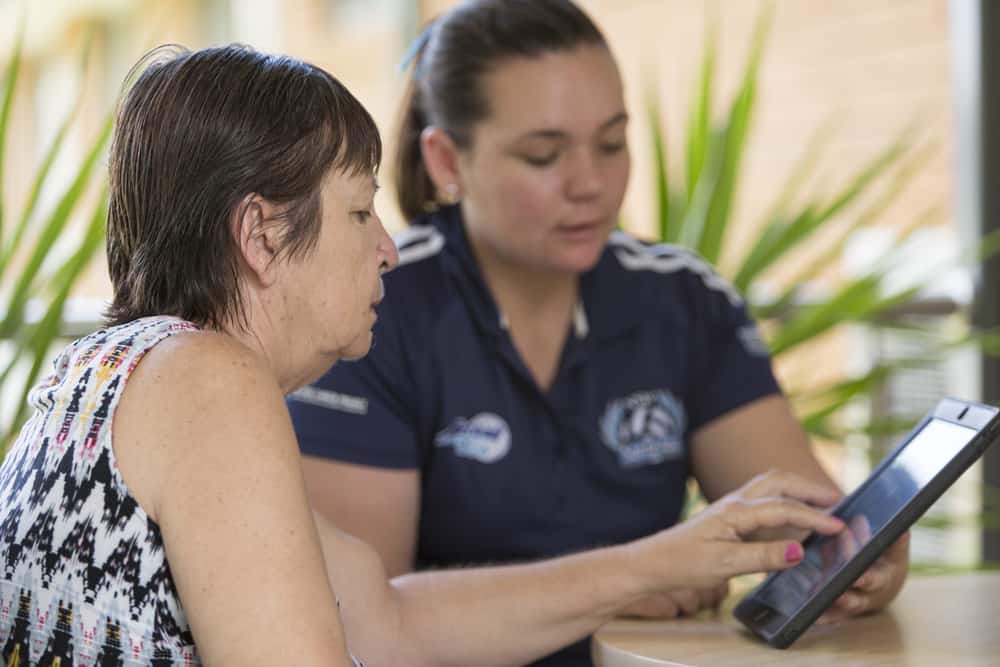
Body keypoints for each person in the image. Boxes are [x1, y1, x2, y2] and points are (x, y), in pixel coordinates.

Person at [0, 42, 846, 667]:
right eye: (361, 213)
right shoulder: (210, 380)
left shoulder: (124, 374)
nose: (388, 252)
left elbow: (393, 621)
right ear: (260, 234)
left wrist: (667, 557)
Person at [287, 1, 910, 665]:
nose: (590, 183)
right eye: (543, 154)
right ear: (447, 161)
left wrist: (851, 557)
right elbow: (361, 623)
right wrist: (634, 575)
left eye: (612, 143)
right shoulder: (372, 306)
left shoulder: (683, 298)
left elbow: (794, 516)